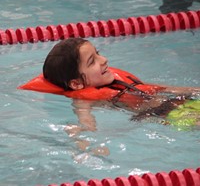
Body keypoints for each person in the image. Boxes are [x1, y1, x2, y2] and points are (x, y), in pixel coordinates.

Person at [43, 38, 200, 155]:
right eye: (92, 62)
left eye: (98, 54)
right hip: (169, 114)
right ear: (76, 84)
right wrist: (85, 142)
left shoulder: (119, 80)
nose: (104, 60)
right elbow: (87, 123)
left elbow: (162, 89)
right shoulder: (83, 99)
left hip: (184, 101)